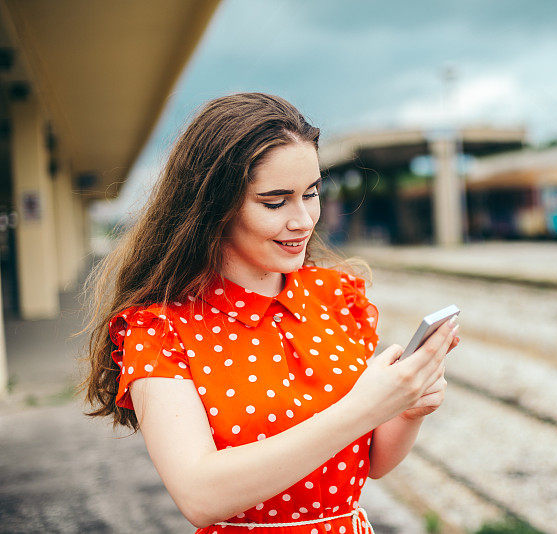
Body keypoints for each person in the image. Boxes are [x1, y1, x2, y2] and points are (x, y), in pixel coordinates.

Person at [79, 93, 461, 533]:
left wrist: (405, 411)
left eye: (312, 193)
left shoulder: (336, 297)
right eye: (275, 202)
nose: (303, 220)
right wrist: (364, 406)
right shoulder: (161, 330)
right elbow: (200, 496)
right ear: (214, 208)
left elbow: (371, 464)